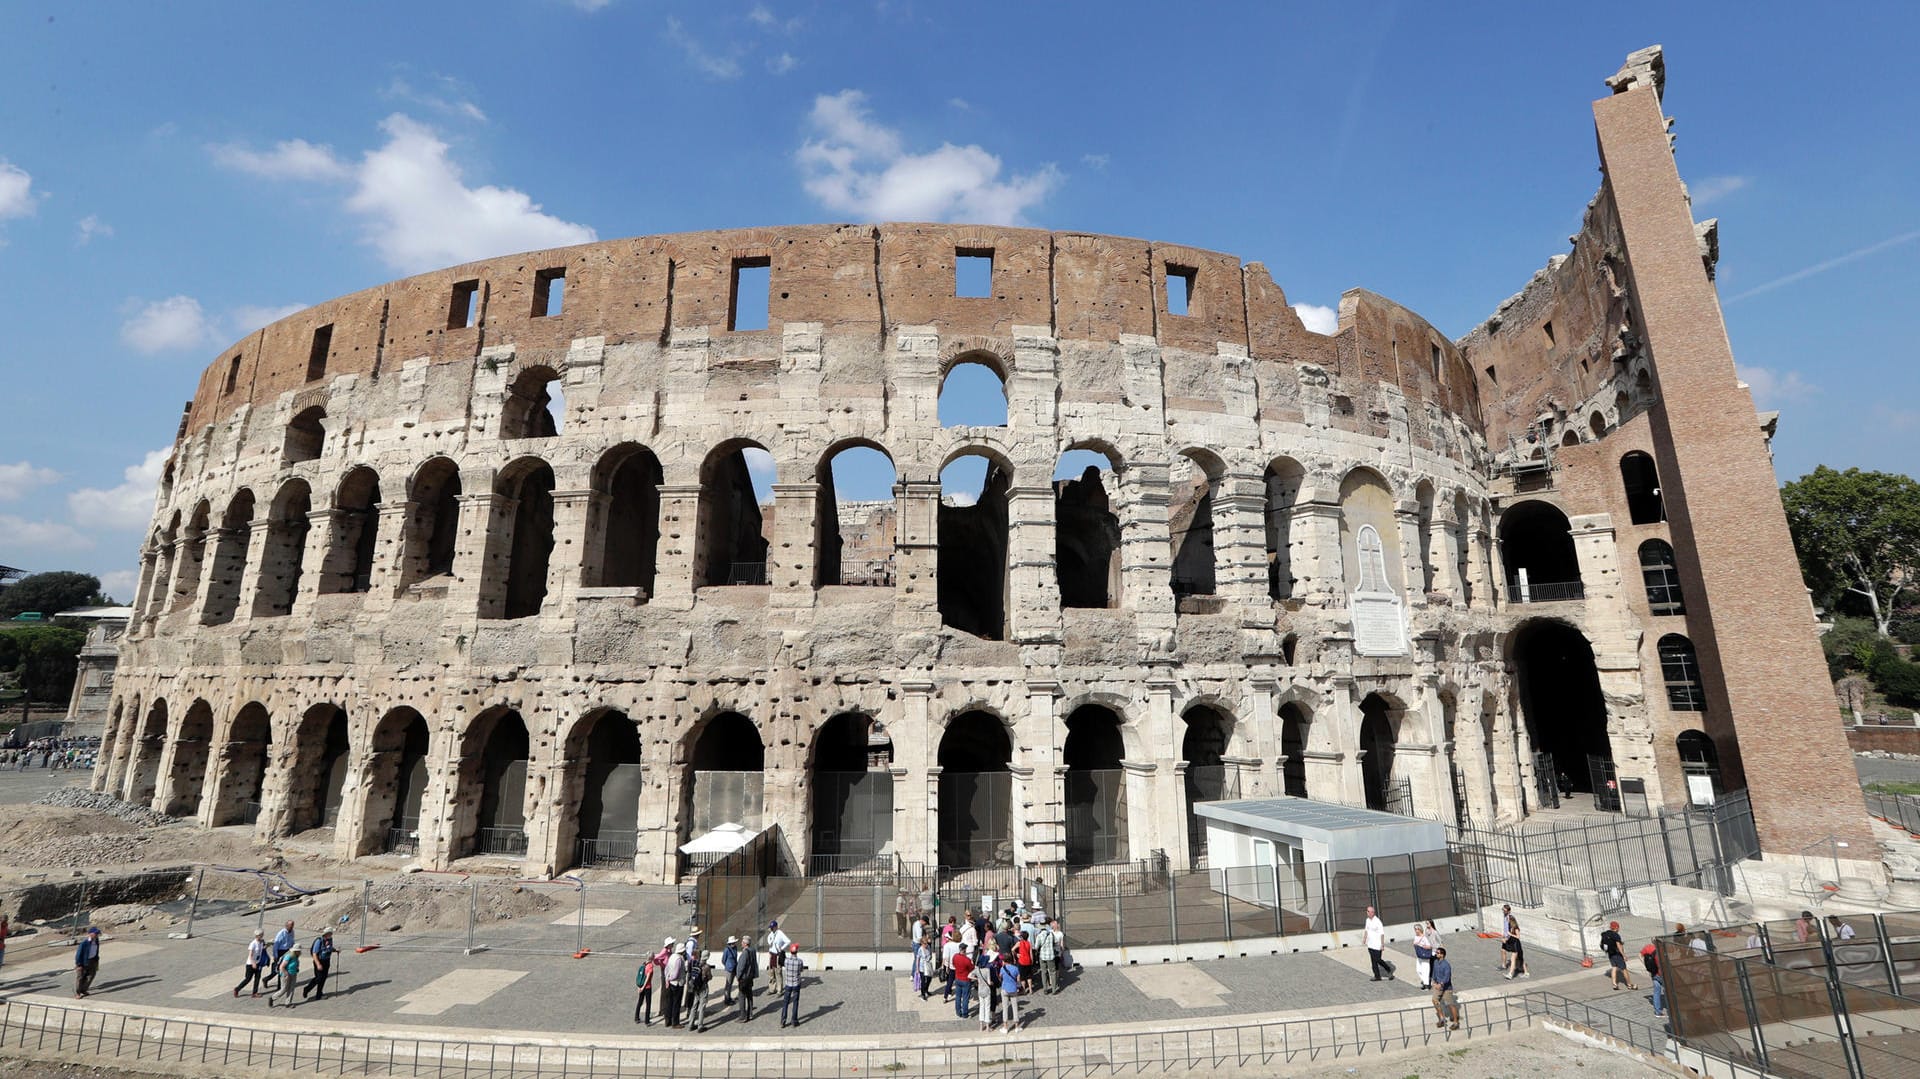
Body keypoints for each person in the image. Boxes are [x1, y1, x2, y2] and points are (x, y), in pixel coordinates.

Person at [1599, 921, 1636, 991]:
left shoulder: (1606, 933)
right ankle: (1629, 985)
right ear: (1616, 928)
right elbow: (1619, 946)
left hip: (1610, 954)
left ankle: (1614, 984)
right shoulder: (1616, 935)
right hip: (1617, 954)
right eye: (1618, 927)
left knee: (1614, 968)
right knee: (1624, 970)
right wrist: (1624, 955)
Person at [1430, 946, 1459, 1031]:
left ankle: (1456, 1022)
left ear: (1442, 955)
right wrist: (1433, 981)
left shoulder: (1446, 965)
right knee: (1434, 1000)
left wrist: (1441, 984)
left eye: (1438, 953)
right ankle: (1442, 1018)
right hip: (1438, 986)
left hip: (1446, 988)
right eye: (1436, 953)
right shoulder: (1435, 962)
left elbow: (1447, 977)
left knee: (1450, 1004)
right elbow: (1434, 973)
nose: (1436, 954)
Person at [779, 941, 806, 1027]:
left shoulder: (786, 961)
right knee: (795, 1002)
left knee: (785, 1002)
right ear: (796, 951)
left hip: (788, 984)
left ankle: (783, 1020)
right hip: (796, 984)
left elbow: (781, 960)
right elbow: (801, 970)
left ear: (790, 951)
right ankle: (794, 1020)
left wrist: (781, 950)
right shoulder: (800, 961)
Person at [1363, 906, 1394, 981]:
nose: (1369, 913)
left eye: (1370, 911)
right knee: (1373, 961)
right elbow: (1366, 930)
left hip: (1377, 944)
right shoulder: (1367, 920)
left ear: (1373, 913)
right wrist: (1364, 938)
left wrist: (1382, 944)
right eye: (1368, 911)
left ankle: (1388, 969)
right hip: (1370, 944)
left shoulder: (1377, 921)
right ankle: (1377, 976)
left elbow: (1382, 933)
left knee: (1378, 959)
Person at [234, 930, 268, 998]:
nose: (261, 936)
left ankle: (255, 993)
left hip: (258, 963)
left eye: (262, 935)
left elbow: (262, 950)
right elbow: (250, 955)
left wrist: (267, 946)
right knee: (248, 978)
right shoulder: (253, 944)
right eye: (260, 935)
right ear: (257, 936)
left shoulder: (261, 942)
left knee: (257, 978)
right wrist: (253, 963)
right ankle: (237, 989)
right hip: (251, 964)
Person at [303, 929, 335, 1000]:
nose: (331, 935)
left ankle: (319, 994)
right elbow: (314, 953)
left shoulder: (330, 940)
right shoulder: (319, 941)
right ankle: (307, 989)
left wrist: (335, 950)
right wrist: (318, 964)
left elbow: (329, 948)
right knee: (319, 978)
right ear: (326, 934)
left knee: (323, 978)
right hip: (319, 961)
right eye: (329, 933)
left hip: (326, 961)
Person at [264, 919, 296, 989]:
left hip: (287, 951)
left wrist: (293, 949)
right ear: (286, 926)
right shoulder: (281, 933)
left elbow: (292, 940)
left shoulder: (292, 932)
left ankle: (279, 984)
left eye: (292, 926)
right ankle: (277, 985)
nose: (291, 927)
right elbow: (276, 945)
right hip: (280, 952)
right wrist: (275, 956)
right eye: (290, 926)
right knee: (278, 969)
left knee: (285, 968)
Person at [661, 938, 684, 1028]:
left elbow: (666, 969)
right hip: (677, 983)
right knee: (676, 1003)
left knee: (669, 1002)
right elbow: (676, 974)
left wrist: (667, 979)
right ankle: (675, 1022)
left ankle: (668, 1020)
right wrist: (671, 978)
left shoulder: (672, 956)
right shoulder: (679, 959)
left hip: (670, 983)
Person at [999, 945, 1022, 1033]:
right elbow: (1018, 980)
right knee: (1015, 1007)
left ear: (1004, 961)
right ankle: (1016, 1026)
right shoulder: (1015, 968)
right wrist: (1019, 987)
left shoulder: (1002, 969)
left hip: (1005, 989)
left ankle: (1005, 1027)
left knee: (1005, 1008)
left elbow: (1000, 977)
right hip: (1013, 989)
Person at [685, 950, 710, 1032]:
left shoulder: (696, 963)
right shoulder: (706, 966)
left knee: (694, 1006)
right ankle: (700, 1025)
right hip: (703, 988)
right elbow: (709, 977)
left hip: (695, 988)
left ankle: (690, 1024)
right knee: (702, 1006)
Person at [73, 926, 101, 998]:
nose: (97, 935)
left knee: (91, 976)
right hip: (83, 962)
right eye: (95, 934)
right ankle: (78, 992)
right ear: (90, 934)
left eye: (97, 934)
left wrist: (96, 961)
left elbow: (96, 951)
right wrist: (78, 964)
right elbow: (79, 954)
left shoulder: (97, 942)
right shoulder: (84, 943)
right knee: (80, 977)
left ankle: (84, 989)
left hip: (93, 960)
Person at [735, 940, 759, 1022]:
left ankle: (743, 1016)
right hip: (750, 977)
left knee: (741, 996)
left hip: (744, 977)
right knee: (749, 996)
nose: (741, 943)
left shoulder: (745, 953)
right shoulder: (753, 950)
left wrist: (738, 976)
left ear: (745, 944)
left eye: (742, 942)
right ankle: (750, 1014)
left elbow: (741, 966)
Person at [974, 947, 998, 1031]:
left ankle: (981, 1026)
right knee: (988, 1007)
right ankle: (988, 1026)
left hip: (980, 990)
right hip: (988, 990)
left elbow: (971, 975)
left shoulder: (978, 969)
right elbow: (992, 980)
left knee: (982, 1007)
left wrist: (977, 979)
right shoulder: (989, 968)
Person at [1035, 918, 1060, 995]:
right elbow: (1055, 942)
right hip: (1051, 955)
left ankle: (1045, 989)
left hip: (1042, 956)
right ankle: (1053, 989)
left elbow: (1036, 947)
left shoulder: (1039, 936)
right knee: (1052, 972)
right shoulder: (1051, 934)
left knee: (1043, 972)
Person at [951, 942, 975, 1019]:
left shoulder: (955, 956)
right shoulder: (967, 960)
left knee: (958, 996)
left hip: (957, 978)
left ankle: (958, 1012)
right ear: (965, 950)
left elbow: (953, 964)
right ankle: (965, 1013)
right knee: (965, 997)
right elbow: (972, 968)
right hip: (965, 979)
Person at [1642, 942, 1664, 1019]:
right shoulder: (1659, 953)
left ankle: (1657, 1012)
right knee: (1669, 992)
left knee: (1656, 992)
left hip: (1653, 973)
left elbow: (1639, 955)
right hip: (1661, 975)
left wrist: (1648, 969)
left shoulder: (1648, 948)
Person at [941, 929, 963, 1002]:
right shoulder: (961, 944)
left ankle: (945, 997)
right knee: (959, 983)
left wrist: (946, 967)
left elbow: (946, 958)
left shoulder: (947, 945)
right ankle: (960, 996)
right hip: (960, 966)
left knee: (949, 983)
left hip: (951, 966)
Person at [635, 952, 656, 1025]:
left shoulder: (643, 964)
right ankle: (647, 1020)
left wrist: (639, 986)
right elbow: (648, 977)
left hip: (640, 986)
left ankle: (636, 1017)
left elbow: (639, 977)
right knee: (648, 1003)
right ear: (651, 958)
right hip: (647, 987)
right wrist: (644, 986)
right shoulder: (650, 966)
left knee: (640, 1002)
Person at [1412, 922, 1435, 990]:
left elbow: (1430, 946)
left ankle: (1426, 984)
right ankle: (1425, 981)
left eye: (1417, 929)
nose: (1416, 930)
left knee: (1425, 970)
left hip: (1425, 955)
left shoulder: (1424, 937)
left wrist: (1422, 946)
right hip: (1419, 955)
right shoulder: (1416, 936)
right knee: (1418, 970)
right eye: (1415, 929)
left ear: (1420, 929)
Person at [912, 934, 935, 1000]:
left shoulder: (928, 947)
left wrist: (930, 957)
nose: (926, 944)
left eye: (926, 943)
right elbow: (917, 959)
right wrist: (917, 969)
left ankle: (926, 990)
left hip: (928, 965)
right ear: (922, 943)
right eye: (924, 943)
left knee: (929, 979)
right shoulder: (920, 949)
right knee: (923, 981)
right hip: (922, 967)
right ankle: (923, 993)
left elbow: (930, 954)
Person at [720, 935, 741, 1006]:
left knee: (731, 984)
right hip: (729, 969)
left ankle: (729, 997)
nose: (733, 944)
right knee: (728, 984)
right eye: (732, 943)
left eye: (734, 943)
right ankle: (727, 999)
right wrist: (727, 966)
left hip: (734, 968)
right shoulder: (727, 950)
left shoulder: (735, 948)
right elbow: (723, 960)